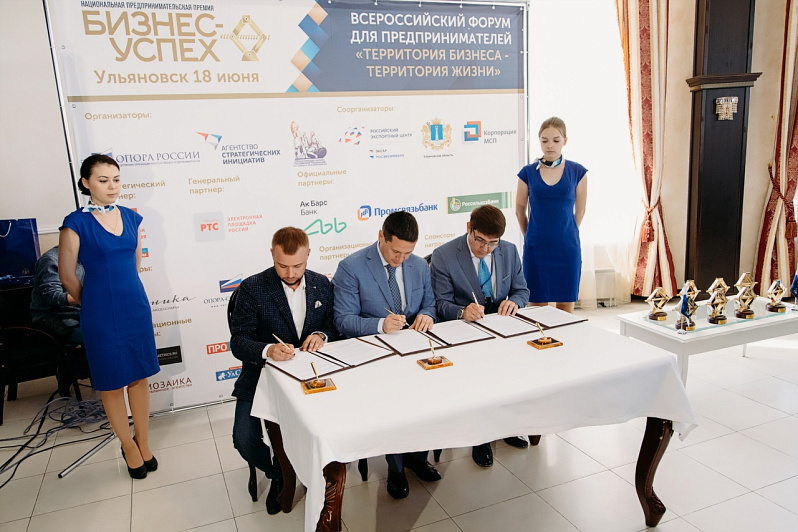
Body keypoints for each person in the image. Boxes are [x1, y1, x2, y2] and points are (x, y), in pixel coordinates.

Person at [58, 154, 160, 480]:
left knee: (139, 377)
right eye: (103, 180)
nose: (112, 186)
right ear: (86, 183)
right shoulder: (75, 222)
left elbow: (135, 264)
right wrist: (91, 301)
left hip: (135, 306)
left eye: (116, 179)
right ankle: (128, 446)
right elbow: (66, 275)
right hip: (99, 313)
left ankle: (143, 441)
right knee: (112, 383)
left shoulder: (131, 217)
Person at [332, 210, 440, 499]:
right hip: (374, 355)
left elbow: (430, 304)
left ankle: (418, 458)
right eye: (396, 252)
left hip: (415, 350)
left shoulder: (419, 265)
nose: (401, 259)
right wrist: (380, 325)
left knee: (427, 400)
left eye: (408, 253)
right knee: (395, 406)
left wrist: (427, 316)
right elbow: (343, 320)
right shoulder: (351, 267)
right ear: (381, 236)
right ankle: (396, 468)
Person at [229, 227, 337, 514]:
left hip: (312, 376)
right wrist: (267, 350)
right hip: (261, 376)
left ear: (309, 255)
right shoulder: (252, 288)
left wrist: (321, 336)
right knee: (243, 438)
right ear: (272, 255)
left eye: (297, 265)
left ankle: (312, 467)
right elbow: (238, 341)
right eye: (282, 265)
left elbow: (332, 326)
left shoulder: (322, 284)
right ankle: (280, 472)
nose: (290, 273)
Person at [429, 204, 530, 467]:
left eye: (492, 243)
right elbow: (439, 304)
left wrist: (515, 302)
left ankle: (507, 427)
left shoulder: (510, 251)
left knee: (511, 377)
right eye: (480, 240)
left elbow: (522, 291)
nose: (485, 249)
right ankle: (481, 438)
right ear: (469, 229)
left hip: (503, 329)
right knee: (479, 381)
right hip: (465, 333)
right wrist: (462, 311)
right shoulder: (444, 255)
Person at [516, 116, 588, 313]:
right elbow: (519, 210)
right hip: (536, 247)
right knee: (537, 306)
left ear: (565, 141)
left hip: (567, 248)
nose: (550, 145)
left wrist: (567, 232)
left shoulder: (578, 171)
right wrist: (530, 235)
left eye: (556, 140)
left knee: (566, 307)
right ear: (539, 140)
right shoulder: (527, 173)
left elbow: (580, 211)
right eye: (544, 140)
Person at [30, 245, 91, 395]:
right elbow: (51, 297)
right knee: (95, 336)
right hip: (52, 317)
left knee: (108, 329)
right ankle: (69, 372)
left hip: (77, 313)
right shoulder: (50, 260)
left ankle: (86, 373)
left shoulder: (84, 258)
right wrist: (87, 298)